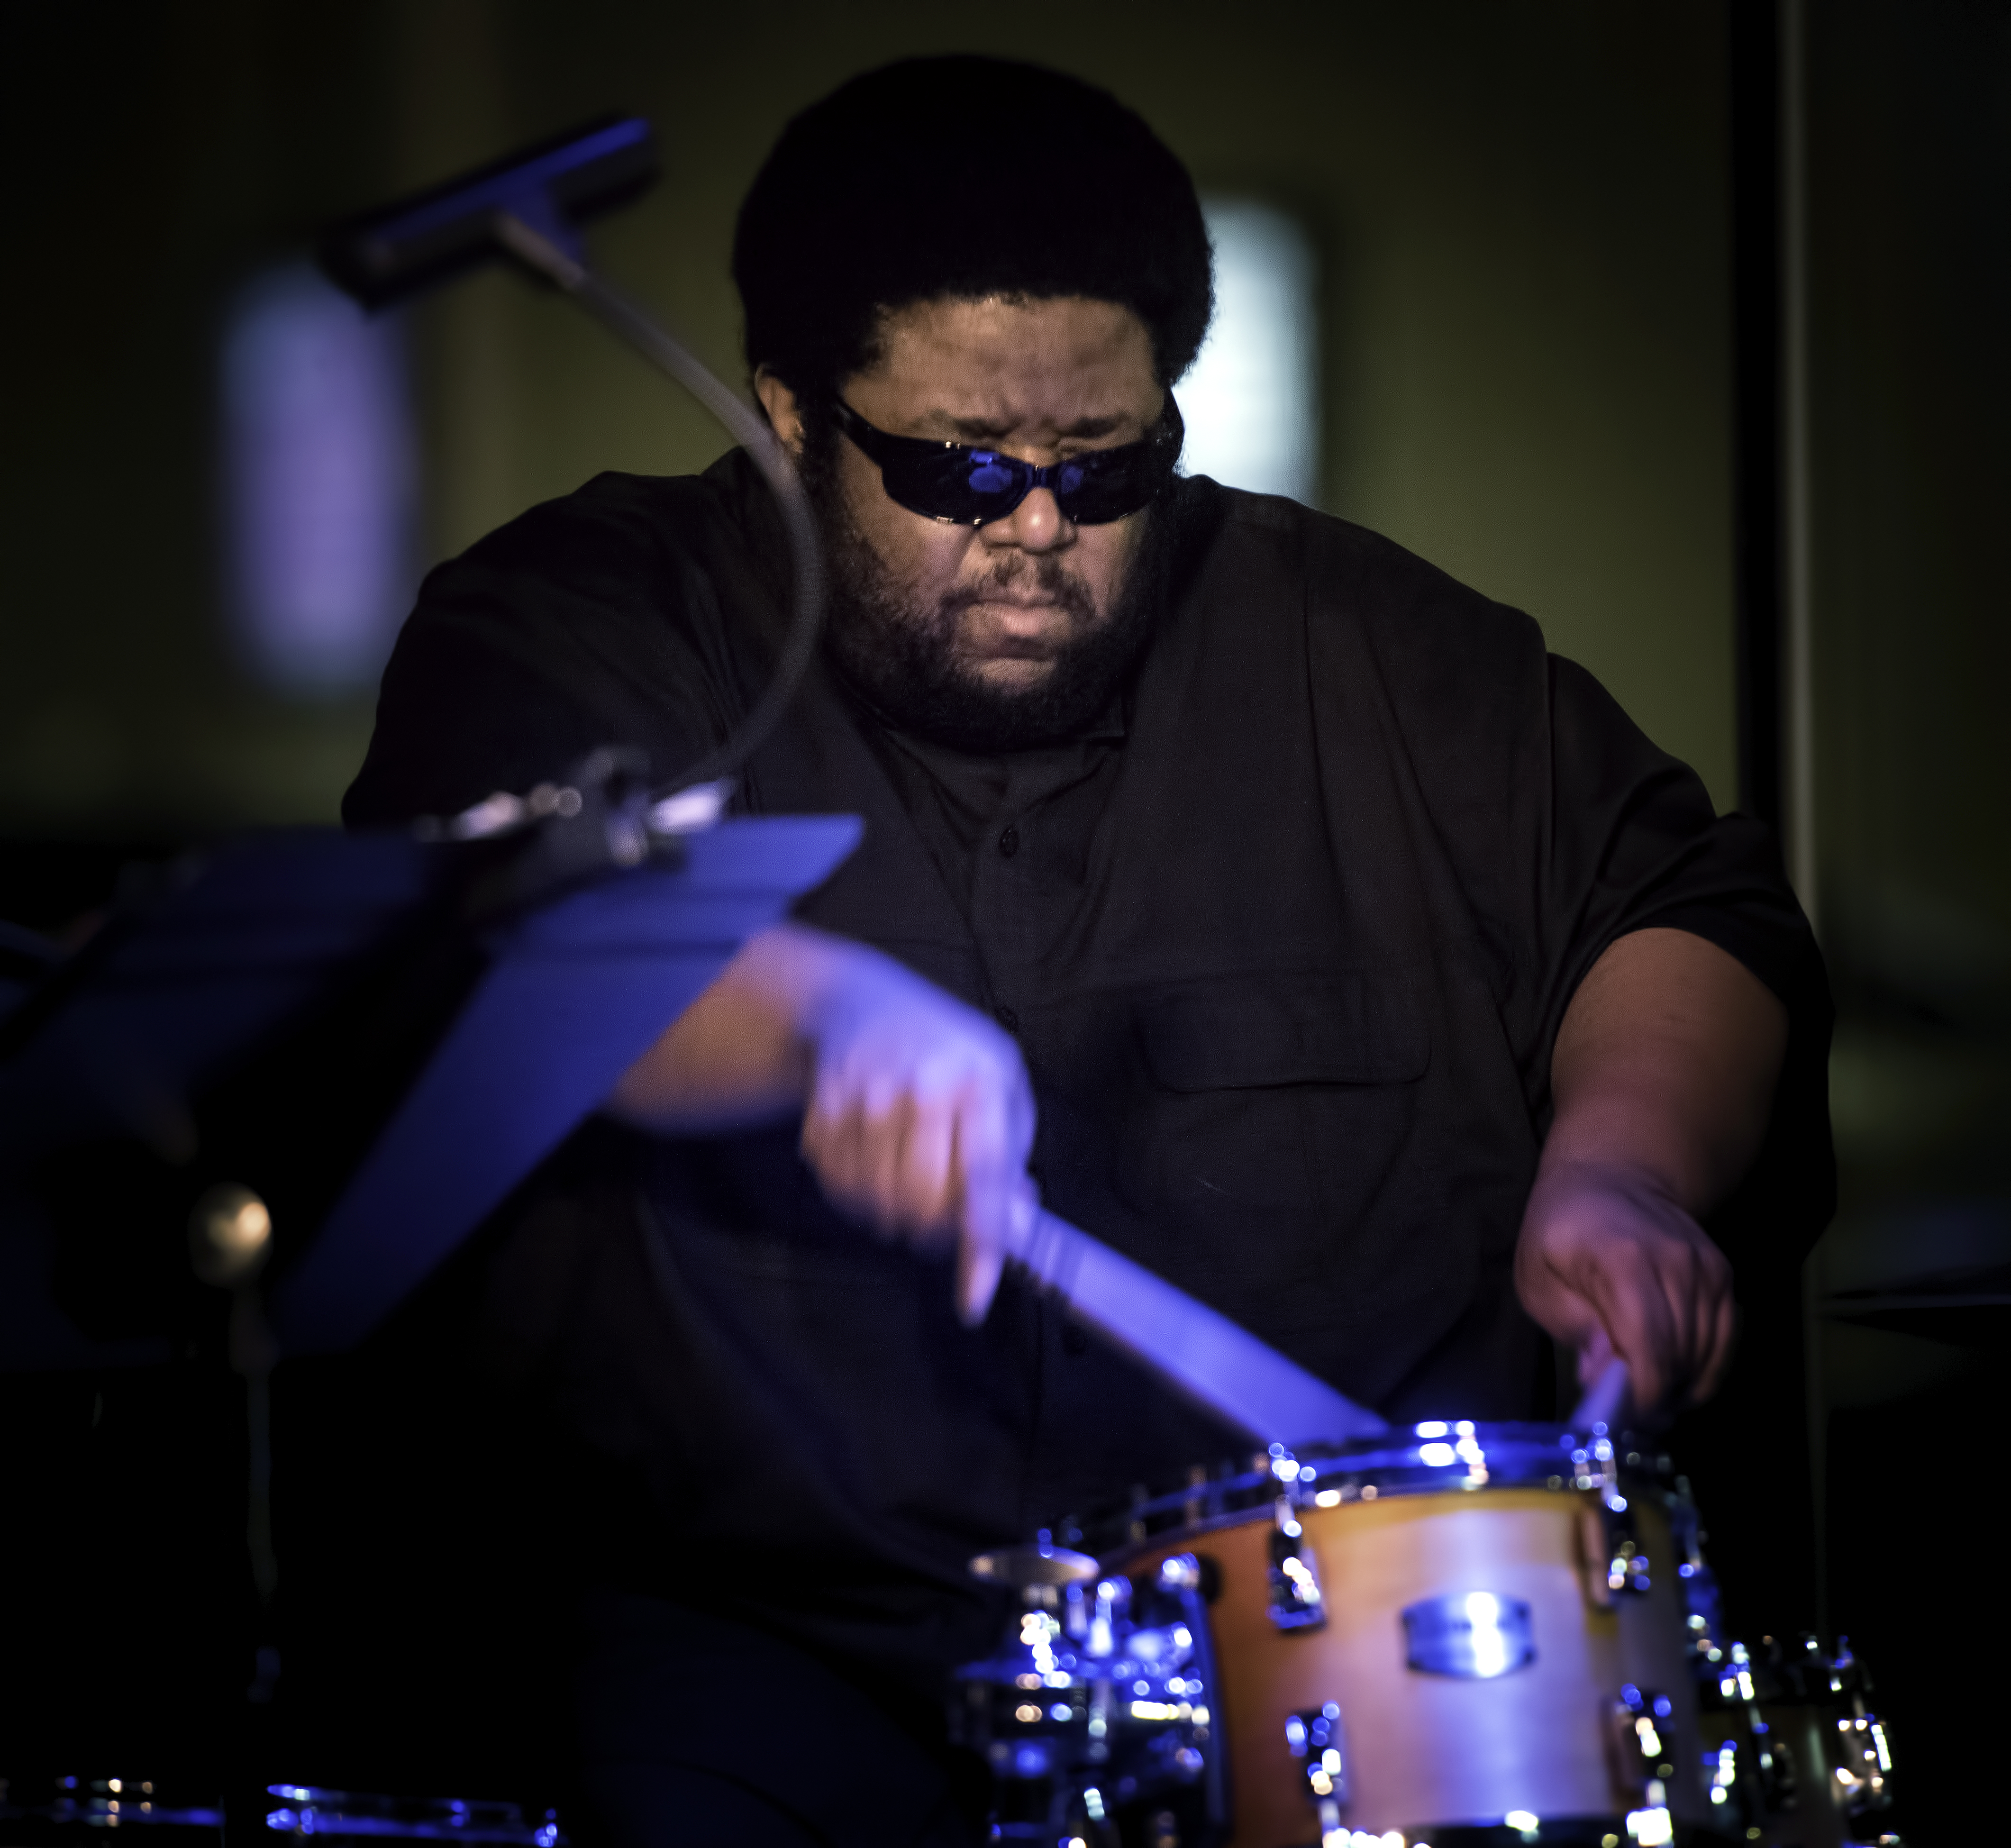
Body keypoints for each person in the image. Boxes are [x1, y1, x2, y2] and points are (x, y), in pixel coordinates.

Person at [344, 55, 1831, 1848]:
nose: (1036, 527)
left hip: (1294, 1683)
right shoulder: (583, 615)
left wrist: (1626, 1172)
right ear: (790, 415)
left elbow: (1676, 903)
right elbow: (497, 920)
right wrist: (810, 1017)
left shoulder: (1371, 649)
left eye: (1103, 469)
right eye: (959, 468)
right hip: (757, 1662)